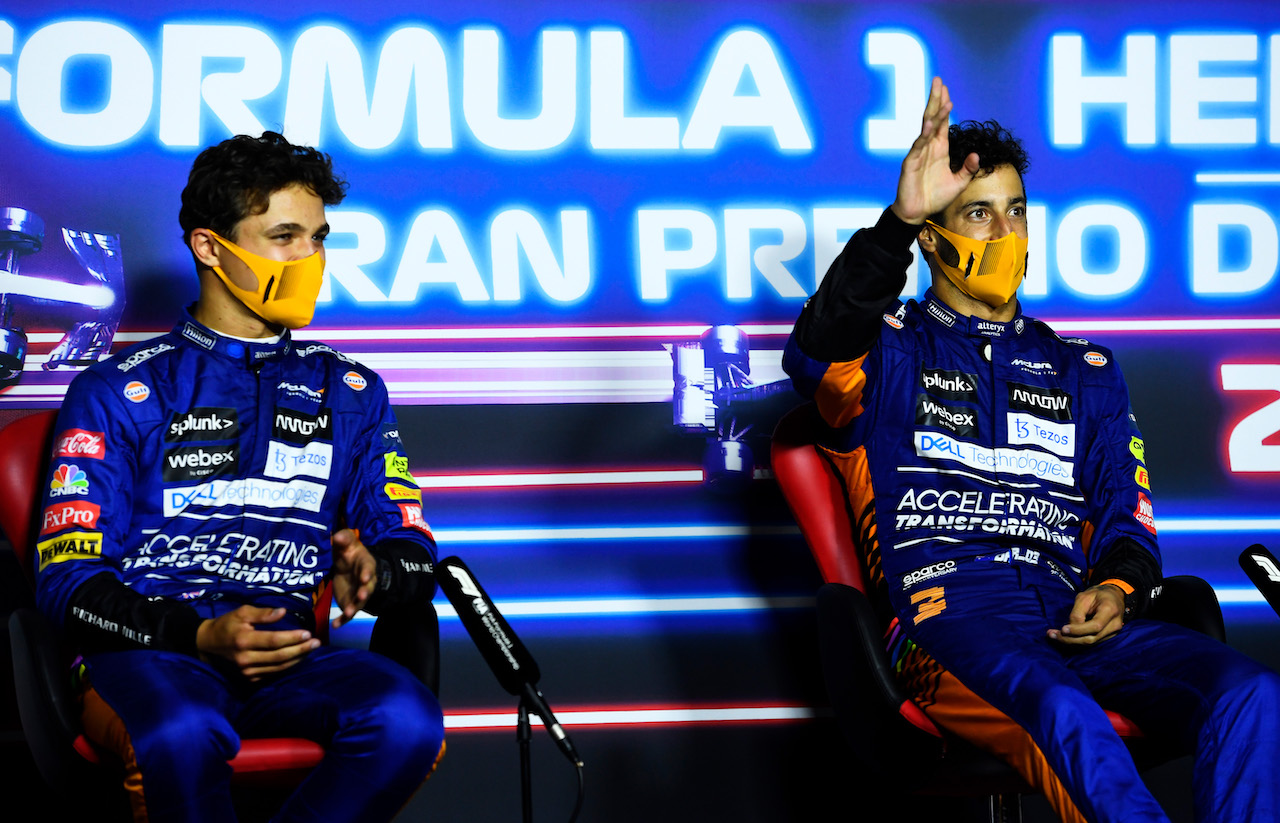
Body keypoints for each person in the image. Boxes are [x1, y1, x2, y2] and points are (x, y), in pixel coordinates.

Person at [783, 78, 1280, 823]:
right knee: (1064, 711)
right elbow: (812, 353)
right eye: (978, 213)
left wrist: (1116, 589)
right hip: (946, 619)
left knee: (1252, 696)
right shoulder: (884, 353)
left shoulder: (1088, 371)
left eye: (1016, 211)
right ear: (932, 235)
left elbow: (1127, 520)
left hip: (1076, 616)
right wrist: (894, 224)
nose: (1003, 233)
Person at [34, 132, 444, 822]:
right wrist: (194, 636)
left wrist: (376, 571)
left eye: (318, 238)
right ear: (210, 247)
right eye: (284, 236)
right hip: (152, 659)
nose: (309, 258)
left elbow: (413, 551)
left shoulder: (351, 390)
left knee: (406, 718)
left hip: (294, 659)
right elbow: (66, 582)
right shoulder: (115, 390)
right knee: (178, 732)